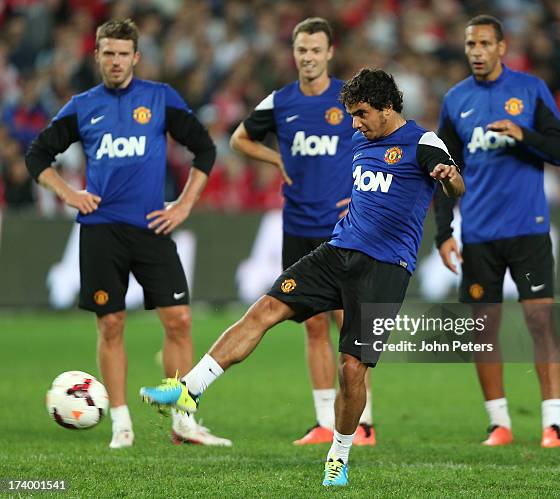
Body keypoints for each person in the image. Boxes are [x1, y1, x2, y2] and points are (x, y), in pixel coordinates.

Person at [141, 68, 464, 486]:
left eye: (362, 113)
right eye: (351, 114)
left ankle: (338, 456)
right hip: (336, 251)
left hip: (385, 270)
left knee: (351, 368)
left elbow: (455, 184)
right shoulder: (360, 138)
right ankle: (190, 388)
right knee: (265, 308)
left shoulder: (422, 142)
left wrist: (448, 178)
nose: (355, 123)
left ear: (387, 109)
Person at [25, 19, 230, 449]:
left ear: (135, 57)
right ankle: (121, 423)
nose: (115, 61)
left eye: (123, 54)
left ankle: (183, 421)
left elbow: (205, 149)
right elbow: (38, 155)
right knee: (111, 324)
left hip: (152, 226)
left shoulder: (159, 98)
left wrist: (186, 204)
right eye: (108, 53)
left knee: (180, 320)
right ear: (96, 56)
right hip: (101, 230)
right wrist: (66, 193)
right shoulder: (83, 105)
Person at [229, 17, 375, 445]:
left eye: (315, 50)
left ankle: (364, 424)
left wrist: (361, 188)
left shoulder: (350, 99)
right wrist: (275, 160)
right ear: (293, 54)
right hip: (297, 225)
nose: (308, 57)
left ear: (330, 53)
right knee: (312, 326)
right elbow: (240, 139)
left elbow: (382, 142)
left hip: (344, 228)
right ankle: (323, 422)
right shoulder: (281, 101)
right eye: (301, 50)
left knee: (350, 323)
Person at [434, 15, 560, 448]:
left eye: (484, 43)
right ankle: (500, 424)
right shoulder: (456, 100)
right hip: (477, 234)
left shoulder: (530, 90)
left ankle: (553, 424)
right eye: (470, 43)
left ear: (502, 47)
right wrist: (443, 232)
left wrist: (522, 132)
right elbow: (441, 171)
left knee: (540, 321)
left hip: (527, 228)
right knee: (483, 329)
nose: (476, 51)